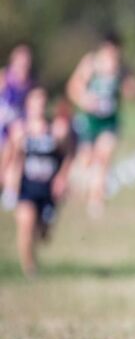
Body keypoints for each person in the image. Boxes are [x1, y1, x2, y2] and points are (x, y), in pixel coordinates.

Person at [67, 31, 135, 217]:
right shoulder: (91, 63)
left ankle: (96, 199)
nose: (112, 52)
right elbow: (73, 86)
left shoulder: (121, 68)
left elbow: (132, 91)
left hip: (110, 121)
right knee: (86, 158)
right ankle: (76, 189)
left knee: (104, 157)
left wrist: (124, 81)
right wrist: (85, 99)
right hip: (90, 119)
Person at [5, 88, 74, 277]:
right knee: (25, 225)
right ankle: (30, 269)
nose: (39, 108)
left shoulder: (57, 130)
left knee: (42, 233)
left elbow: (68, 155)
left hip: (48, 189)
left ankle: (34, 250)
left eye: (43, 104)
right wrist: (6, 176)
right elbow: (11, 155)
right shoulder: (20, 129)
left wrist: (62, 177)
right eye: (35, 103)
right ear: (28, 105)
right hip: (27, 186)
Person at [0, 43, 36, 207]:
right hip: (2, 125)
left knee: (15, 153)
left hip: (16, 128)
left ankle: (11, 190)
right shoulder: (4, 78)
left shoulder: (29, 84)